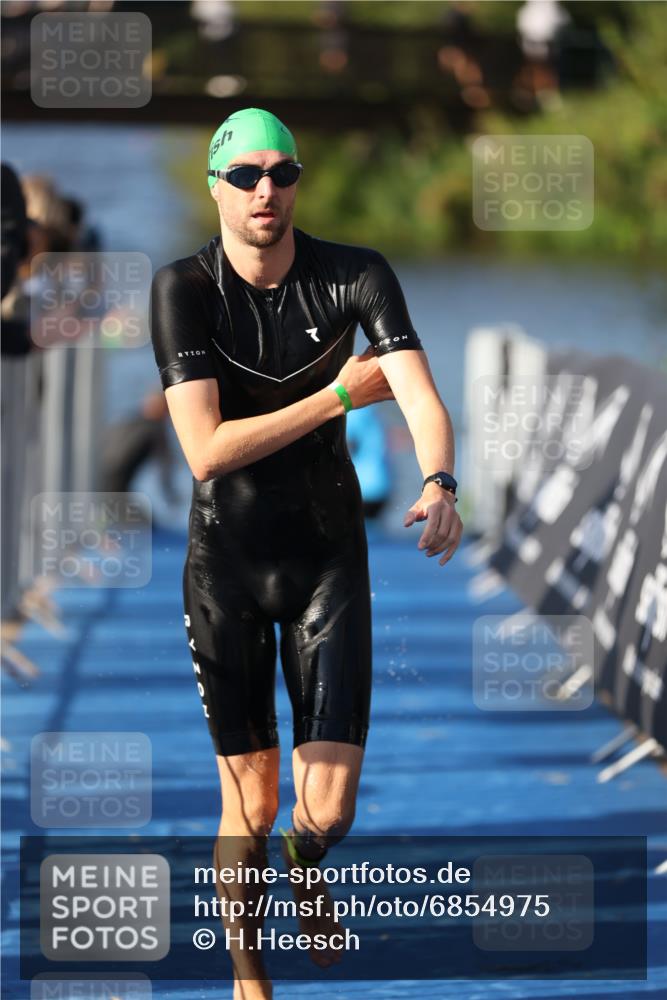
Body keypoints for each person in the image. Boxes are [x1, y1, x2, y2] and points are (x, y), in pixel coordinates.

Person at [149, 107, 462, 999]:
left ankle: (307, 862)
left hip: (327, 561)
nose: (264, 192)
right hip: (227, 567)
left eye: (281, 174)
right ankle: (250, 977)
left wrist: (439, 483)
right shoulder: (184, 289)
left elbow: (418, 398)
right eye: (244, 175)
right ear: (215, 185)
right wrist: (334, 398)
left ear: (297, 184)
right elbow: (204, 452)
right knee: (245, 804)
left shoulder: (354, 275)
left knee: (323, 810)